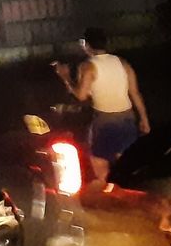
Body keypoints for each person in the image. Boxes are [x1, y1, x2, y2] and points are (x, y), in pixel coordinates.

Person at [54, 26, 151, 184]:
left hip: (104, 121)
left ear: (86, 45)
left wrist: (65, 78)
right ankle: (129, 195)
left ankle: (111, 196)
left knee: (99, 163)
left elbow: (81, 95)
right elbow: (135, 93)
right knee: (128, 165)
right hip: (127, 118)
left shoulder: (88, 66)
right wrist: (144, 119)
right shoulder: (122, 63)